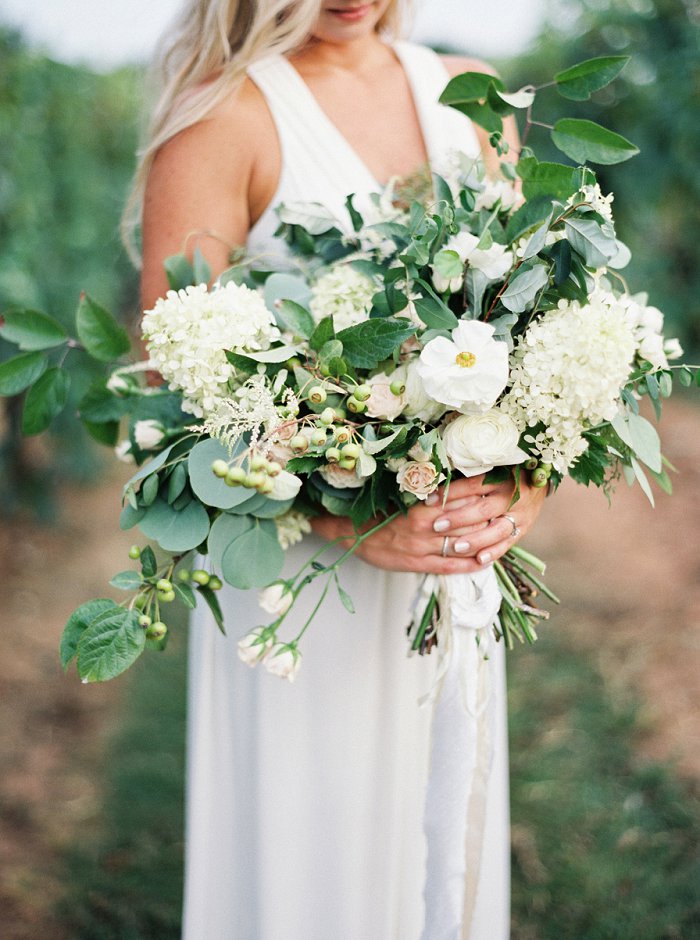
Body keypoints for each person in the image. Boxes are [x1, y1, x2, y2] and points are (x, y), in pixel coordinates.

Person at [131, 1, 546, 937]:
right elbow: (175, 381)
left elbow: (535, 317)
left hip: (449, 564)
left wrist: (526, 482)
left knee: (438, 839)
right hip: (296, 586)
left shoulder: (469, 94)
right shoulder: (223, 117)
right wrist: (348, 520)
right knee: (310, 861)